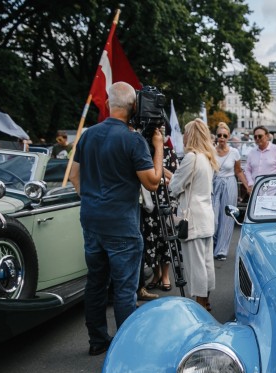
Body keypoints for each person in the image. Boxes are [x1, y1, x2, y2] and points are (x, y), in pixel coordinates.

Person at [69, 81, 165, 356]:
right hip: (121, 224)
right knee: (124, 288)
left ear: (111, 104)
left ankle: (98, 340)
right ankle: (125, 350)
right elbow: (153, 183)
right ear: (134, 106)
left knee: (96, 283)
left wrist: (91, 199)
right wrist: (157, 145)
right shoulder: (133, 139)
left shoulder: (88, 135)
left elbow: (75, 176)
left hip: (91, 219)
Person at [169, 119, 218, 310]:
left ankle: (198, 305)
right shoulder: (207, 157)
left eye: (185, 132)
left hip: (192, 218)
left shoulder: (191, 157)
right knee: (206, 264)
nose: (183, 136)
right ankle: (205, 302)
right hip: (205, 215)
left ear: (191, 135)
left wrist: (170, 177)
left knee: (195, 266)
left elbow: (175, 187)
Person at [141, 141, 179, 294]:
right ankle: (155, 275)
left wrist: (160, 172)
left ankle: (165, 276)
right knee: (152, 238)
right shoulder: (144, 150)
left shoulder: (169, 152)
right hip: (149, 202)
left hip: (165, 201)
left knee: (165, 237)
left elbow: (176, 178)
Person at [211, 122, 242, 261]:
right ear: (216, 136)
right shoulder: (211, 150)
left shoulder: (234, 152)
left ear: (229, 136)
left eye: (225, 135)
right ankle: (213, 246)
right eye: (219, 135)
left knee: (227, 218)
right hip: (215, 183)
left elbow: (238, 171)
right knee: (213, 218)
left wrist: (247, 186)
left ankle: (221, 250)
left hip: (230, 183)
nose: (222, 137)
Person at [243, 125, 276, 193]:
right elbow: (247, 169)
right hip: (256, 191)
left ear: (267, 136)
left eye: (260, 136)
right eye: (255, 137)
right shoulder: (252, 152)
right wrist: (250, 183)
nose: (257, 138)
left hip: (273, 191)